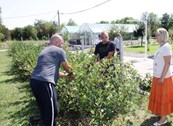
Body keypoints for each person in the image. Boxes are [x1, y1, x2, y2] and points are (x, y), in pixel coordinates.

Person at [30, 34, 75, 126]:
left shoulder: (44, 50)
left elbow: (51, 72)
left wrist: (67, 76)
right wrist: (74, 73)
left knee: (44, 108)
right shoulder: (59, 51)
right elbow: (67, 68)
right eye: (62, 43)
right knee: (52, 110)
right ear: (58, 42)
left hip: (34, 81)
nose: (62, 46)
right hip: (45, 83)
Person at [148, 28, 173, 125]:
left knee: (164, 98)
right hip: (157, 76)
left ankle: (163, 119)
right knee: (158, 96)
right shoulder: (161, 46)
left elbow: (167, 63)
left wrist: (162, 77)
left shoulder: (166, 47)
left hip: (164, 78)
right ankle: (159, 112)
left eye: (157, 35)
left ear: (162, 36)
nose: (156, 37)